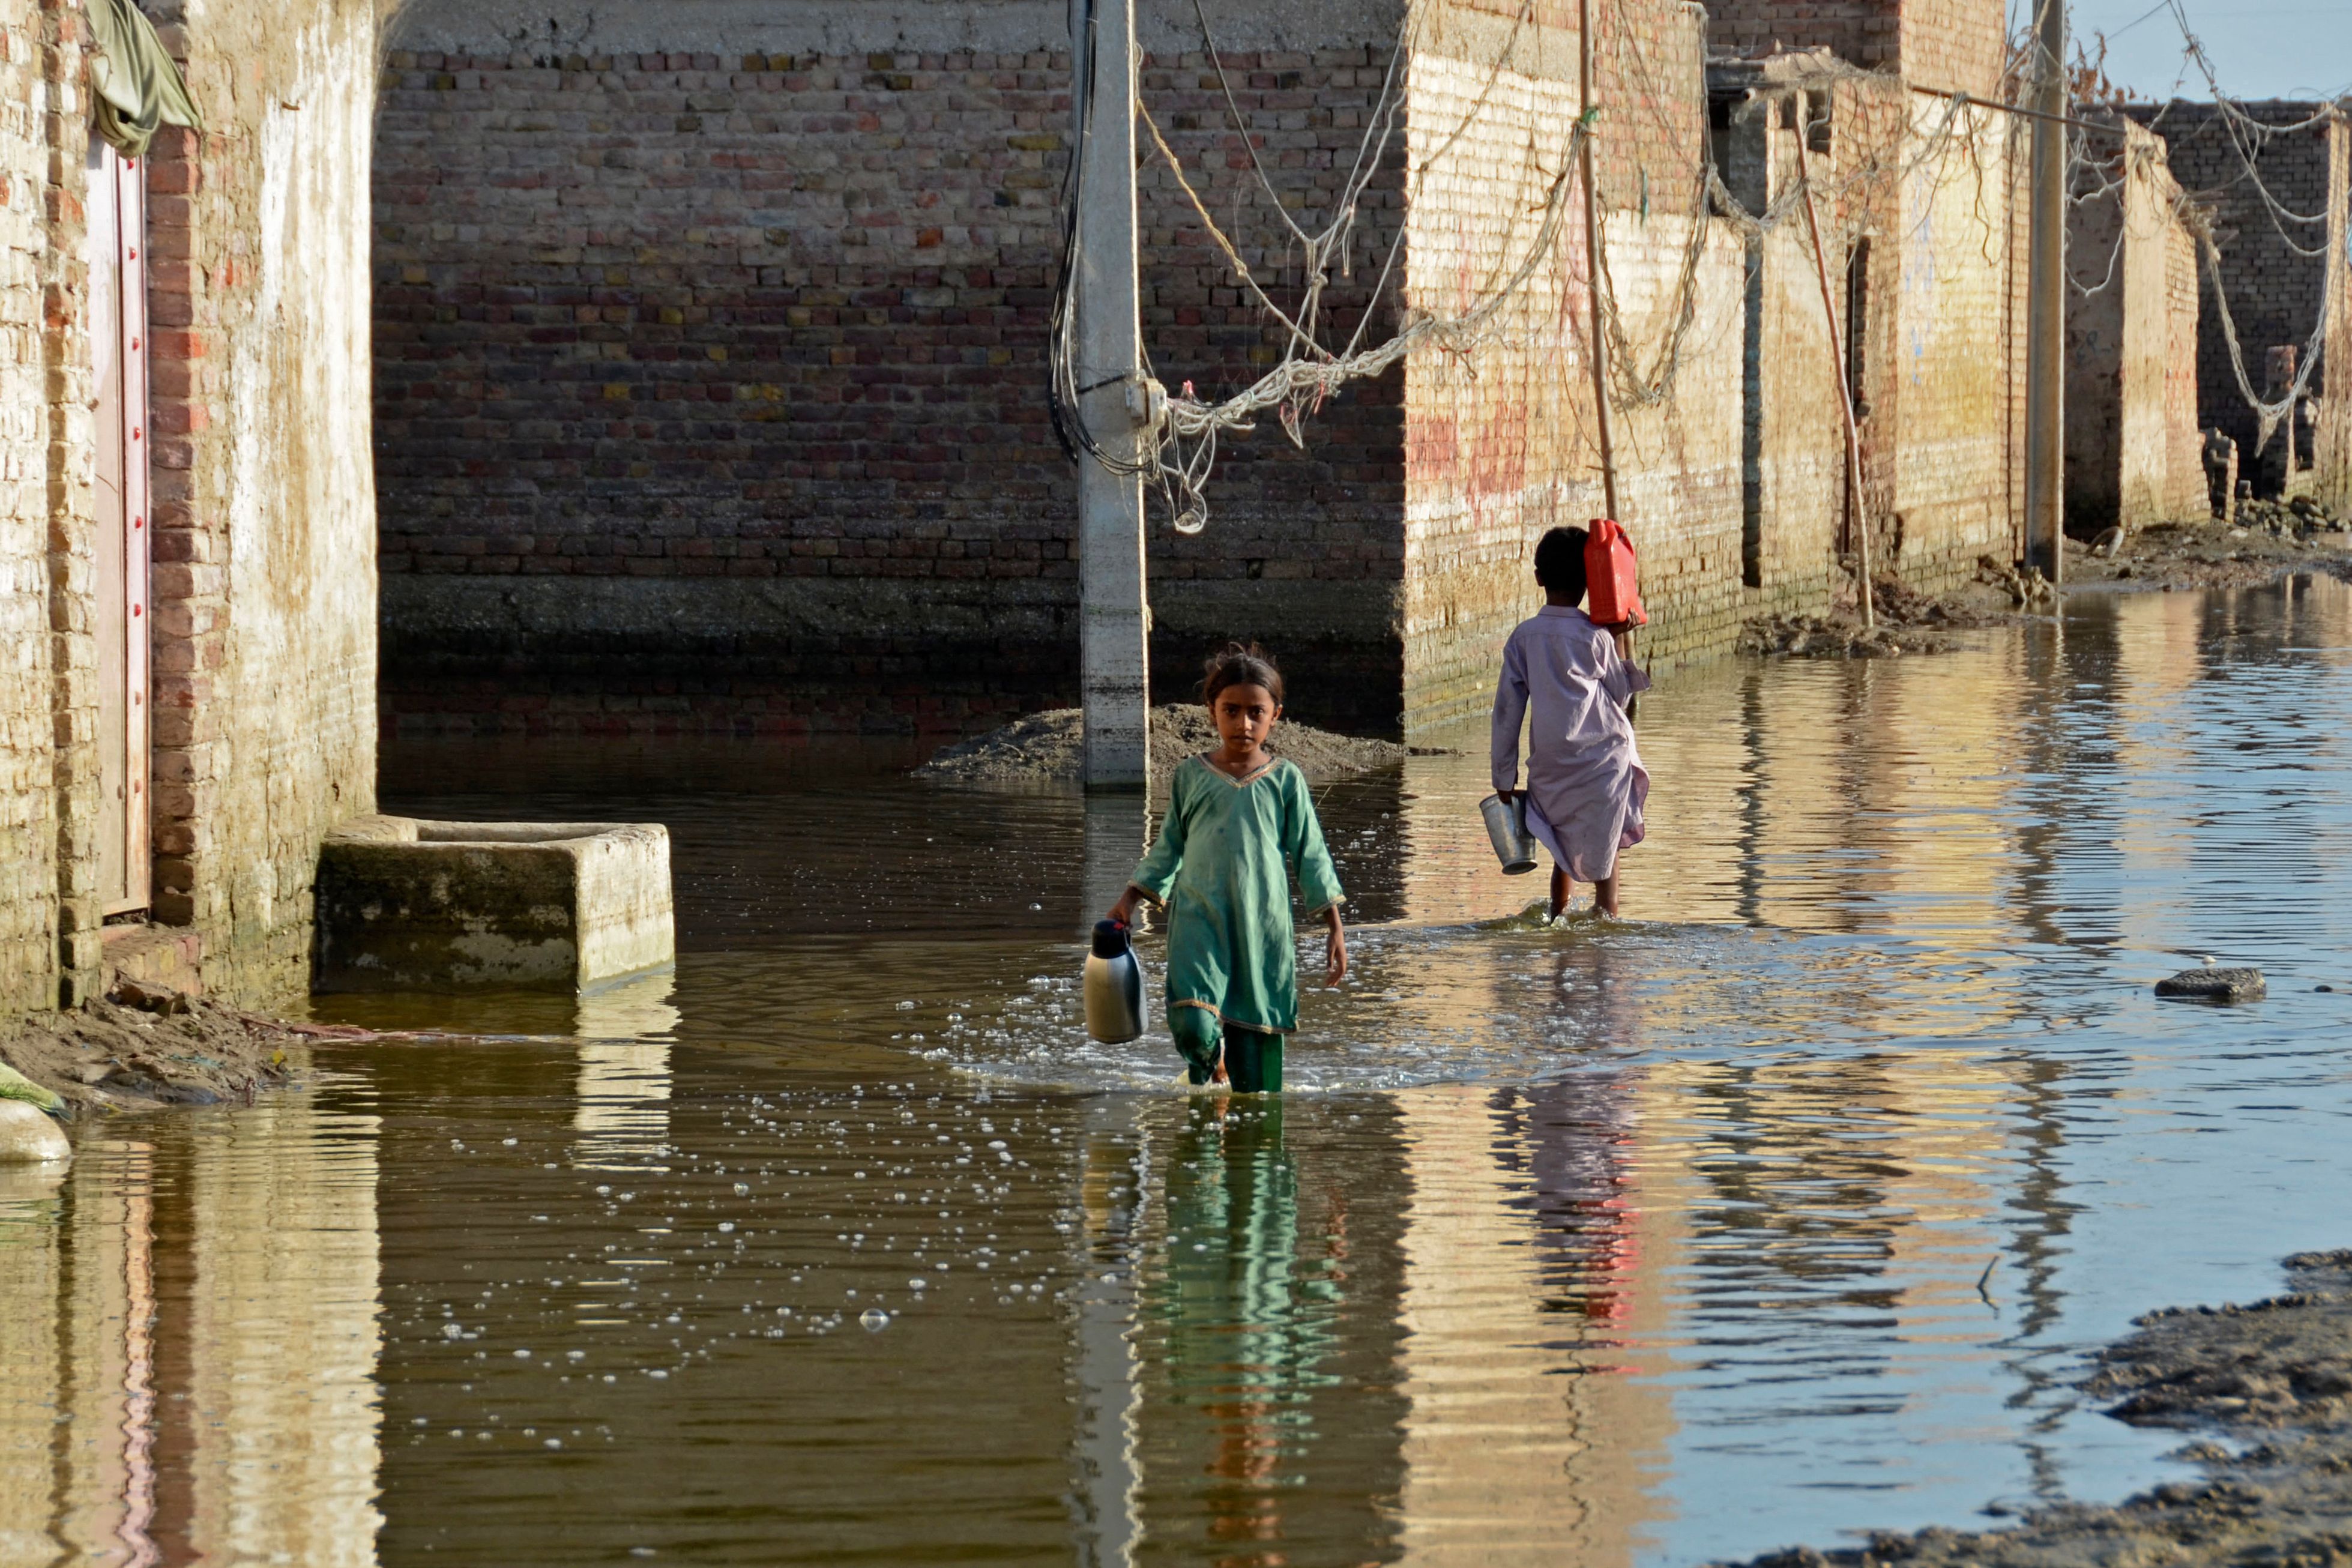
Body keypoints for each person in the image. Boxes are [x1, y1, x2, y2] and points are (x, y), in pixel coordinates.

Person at [1104, 644, 1346, 1093]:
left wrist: (1334, 925)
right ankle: (1211, 1069)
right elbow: (1169, 848)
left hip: (1263, 926)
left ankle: (1252, 1149)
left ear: (1276, 715)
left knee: (1257, 1080)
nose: (1244, 724)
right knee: (1195, 1028)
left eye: (1256, 712)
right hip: (1199, 919)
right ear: (1212, 711)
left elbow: (1311, 853)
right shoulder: (1190, 776)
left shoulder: (1285, 779)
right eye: (1231, 710)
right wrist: (1130, 899)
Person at [1492, 525, 1651, 920]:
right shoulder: (1595, 637)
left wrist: (1503, 777)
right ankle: (1605, 927)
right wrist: (1616, 639)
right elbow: (1619, 695)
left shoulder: (1523, 637)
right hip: (1601, 765)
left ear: (1539, 578)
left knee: (1562, 851)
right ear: (1590, 582)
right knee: (1607, 851)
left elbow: (1507, 711)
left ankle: (1556, 920)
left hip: (1551, 767)